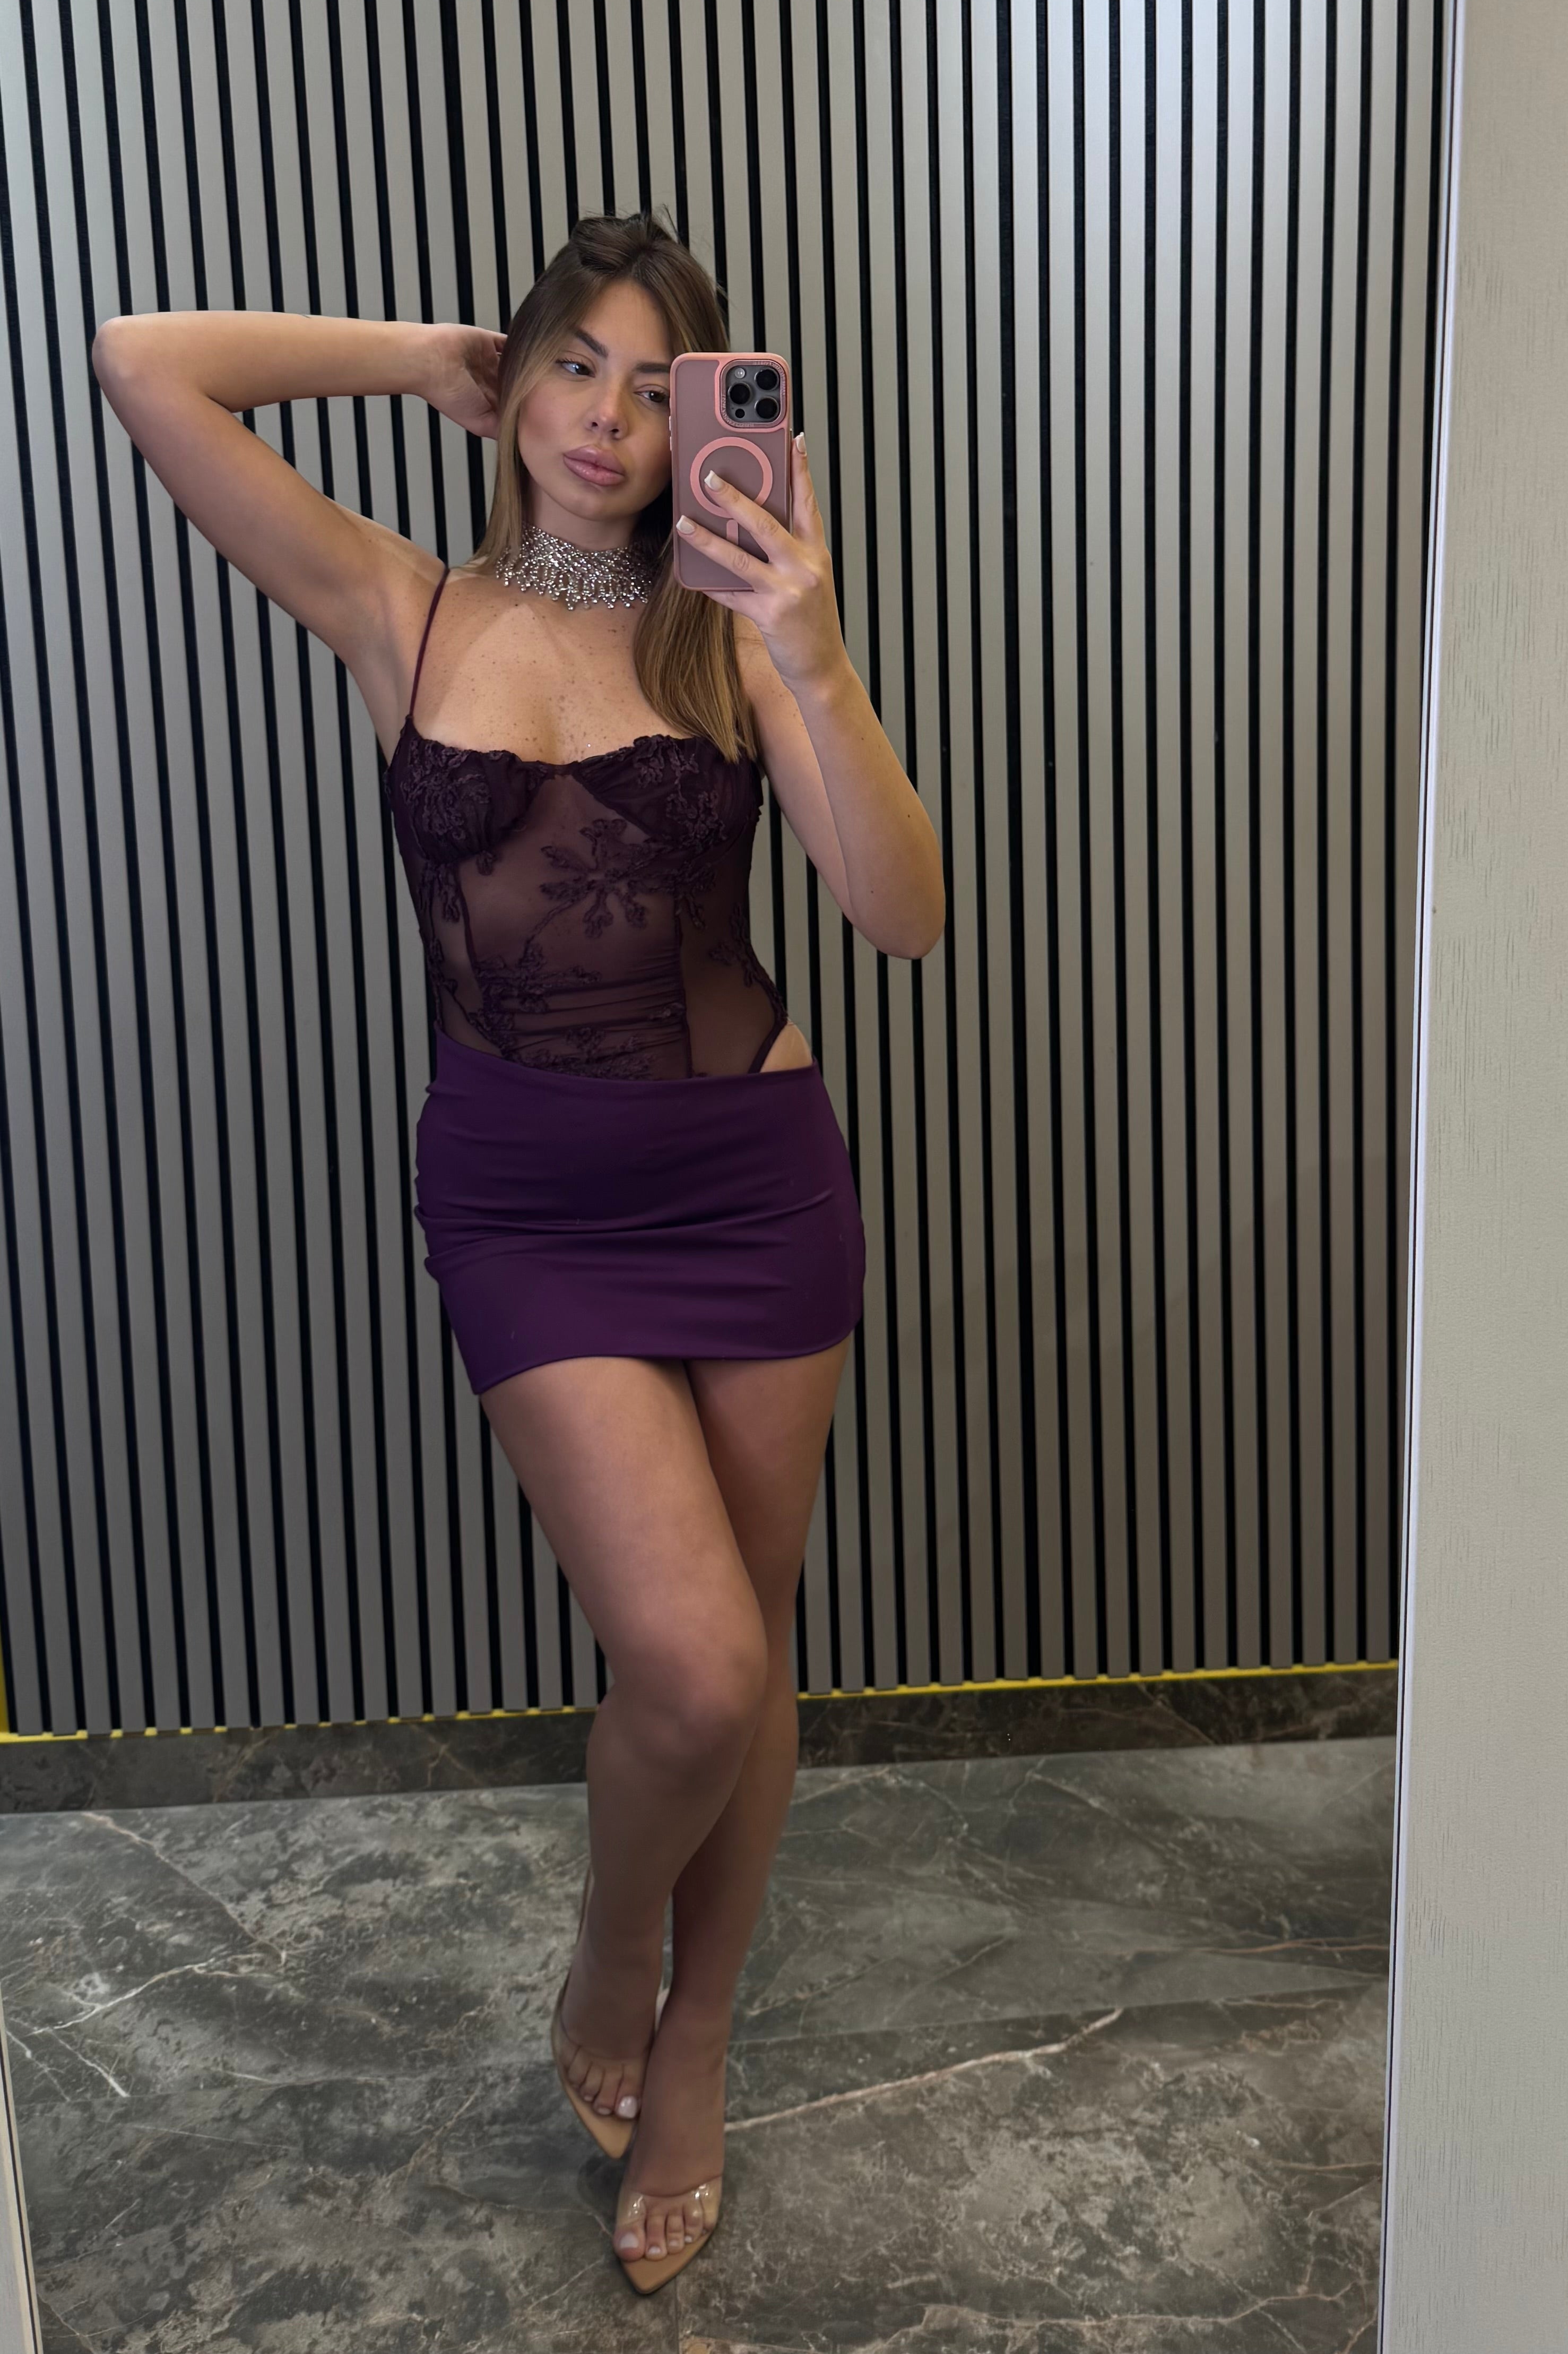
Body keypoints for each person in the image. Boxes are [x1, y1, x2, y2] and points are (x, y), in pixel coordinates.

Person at [91, 210, 946, 2292]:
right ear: (521, 379)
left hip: (752, 1179)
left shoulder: (729, 636)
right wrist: (421, 356)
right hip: (523, 1199)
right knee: (691, 1662)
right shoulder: (398, 606)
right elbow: (143, 363)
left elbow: (903, 915)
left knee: (751, 1650)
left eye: (657, 386)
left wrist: (815, 648)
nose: (609, 417)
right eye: (577, 364)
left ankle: (696, 2041)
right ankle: (605, 1948)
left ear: (701, 425)